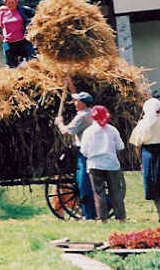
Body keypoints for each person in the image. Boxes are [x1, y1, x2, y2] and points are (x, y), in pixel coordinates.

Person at [54, 74, 97, 220]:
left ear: (82, 103)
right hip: (95, 150)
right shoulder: (92, 112)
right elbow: (75, 98)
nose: (74, 103)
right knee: (93, 182)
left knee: (83, 183)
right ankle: (100, 208)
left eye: (77, 101)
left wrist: (59, 122)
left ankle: (89, 214)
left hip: (83, 152)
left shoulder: (81, 117)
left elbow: (67, 132)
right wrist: (70, 84)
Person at [80, 105, 126, 222]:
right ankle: (121, 218)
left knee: (98, 193)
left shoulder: (88, 132)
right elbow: (120, 146)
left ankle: (103, 219)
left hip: (95, 165)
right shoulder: (112, 130)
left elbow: (84, 151)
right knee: (115, 191)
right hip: (112, 164)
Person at [0, 0, 36, 68]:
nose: (11, 4)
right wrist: (4, 38)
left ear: (17, 2)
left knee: (31, 61)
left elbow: (37, 17)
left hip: (23, 41)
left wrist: (30, 31)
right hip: (9, 42)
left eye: (13, 2)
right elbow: (2, 26)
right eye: (8, 3)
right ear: (5, 3)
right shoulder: (2, 12)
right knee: (11, 65)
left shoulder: (23, 10)